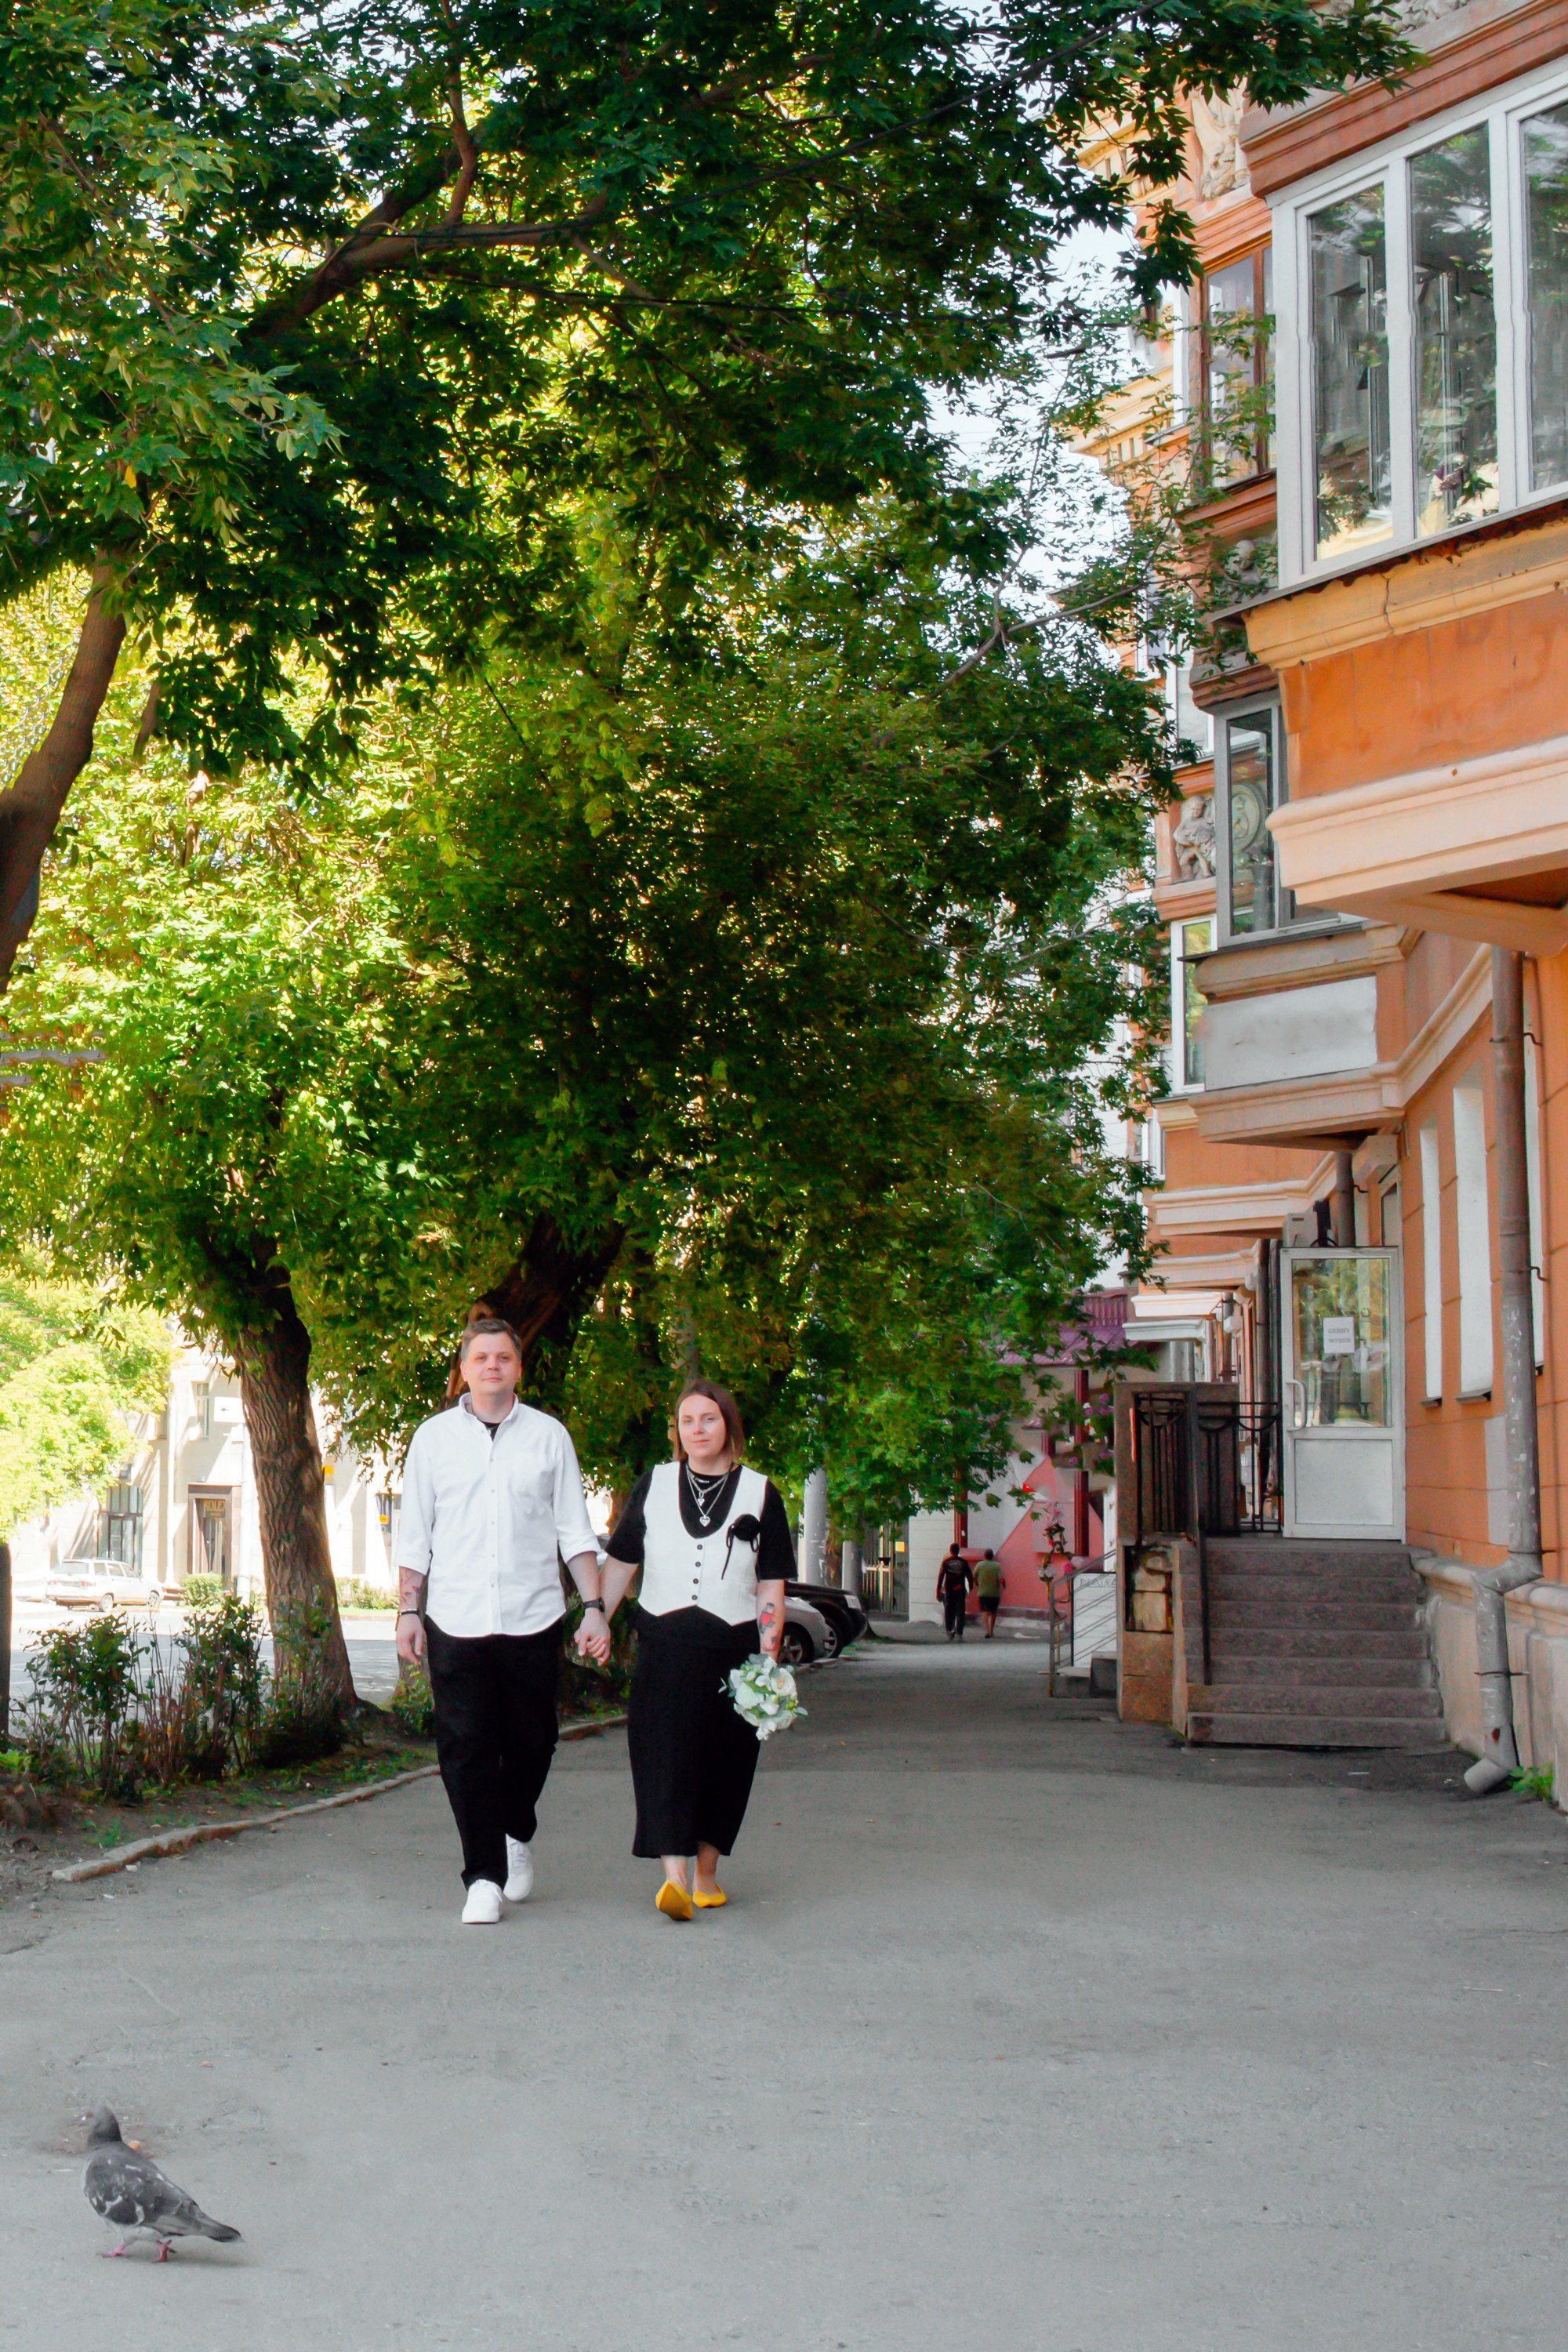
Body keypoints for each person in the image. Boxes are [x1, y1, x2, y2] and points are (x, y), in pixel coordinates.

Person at [394, 1315, 612, 1926]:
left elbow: (575, 1530)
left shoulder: (548, 1438)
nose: (492, 1365)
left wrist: (593, 1608)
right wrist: (409, 1611)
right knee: (464, 1747)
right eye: (481, 1357)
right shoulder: (433, 1440)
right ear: (463, 1369)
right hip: (456, 1620)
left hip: (533, 1616)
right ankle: (482, 1875)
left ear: (519, 1367)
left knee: (533, 1741)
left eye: (504, 1357)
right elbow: (416, 1538)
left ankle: (517, 1830)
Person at [597, 1379, 792, 1920]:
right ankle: (675, 1878)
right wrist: (597, 1618)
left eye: (707, 1419)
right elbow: (621, 1561)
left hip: (733, 1648)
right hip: (664, 1644)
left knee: (727, 1763)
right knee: (664, 1758)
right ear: (678, 1432)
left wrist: (768, 1656)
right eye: (687, 1421)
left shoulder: (760, 1492)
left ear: (728, 1424)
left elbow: (772, 1582)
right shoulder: (654, 1484)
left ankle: (706, 1872)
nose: (697, 1430)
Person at [936, 1543, 974, 1640]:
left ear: (950, 1551)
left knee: (949, 1611)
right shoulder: (964, 1562)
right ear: (958, 1551)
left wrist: (938, 1591)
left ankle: (949, 1630)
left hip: (949, 1590)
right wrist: (971, 1587)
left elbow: (941, 1578)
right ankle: (959, 1633)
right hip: (960, 1590)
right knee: (960, 1611)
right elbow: (969, 1575)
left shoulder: (946, 1562)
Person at [975, 1548, 1002, 1638]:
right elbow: (1001, 1579)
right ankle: (992, 1630)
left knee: (984, 1612)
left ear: (984, 1556)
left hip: (983, 1592)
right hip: (995, 1593)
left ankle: (987, 1630)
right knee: (993, 1612)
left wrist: (978, 1584)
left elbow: (974, 1576)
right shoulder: (997, 1566)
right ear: (993, 1556)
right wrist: (1003, 1585)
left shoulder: (980, 1565)